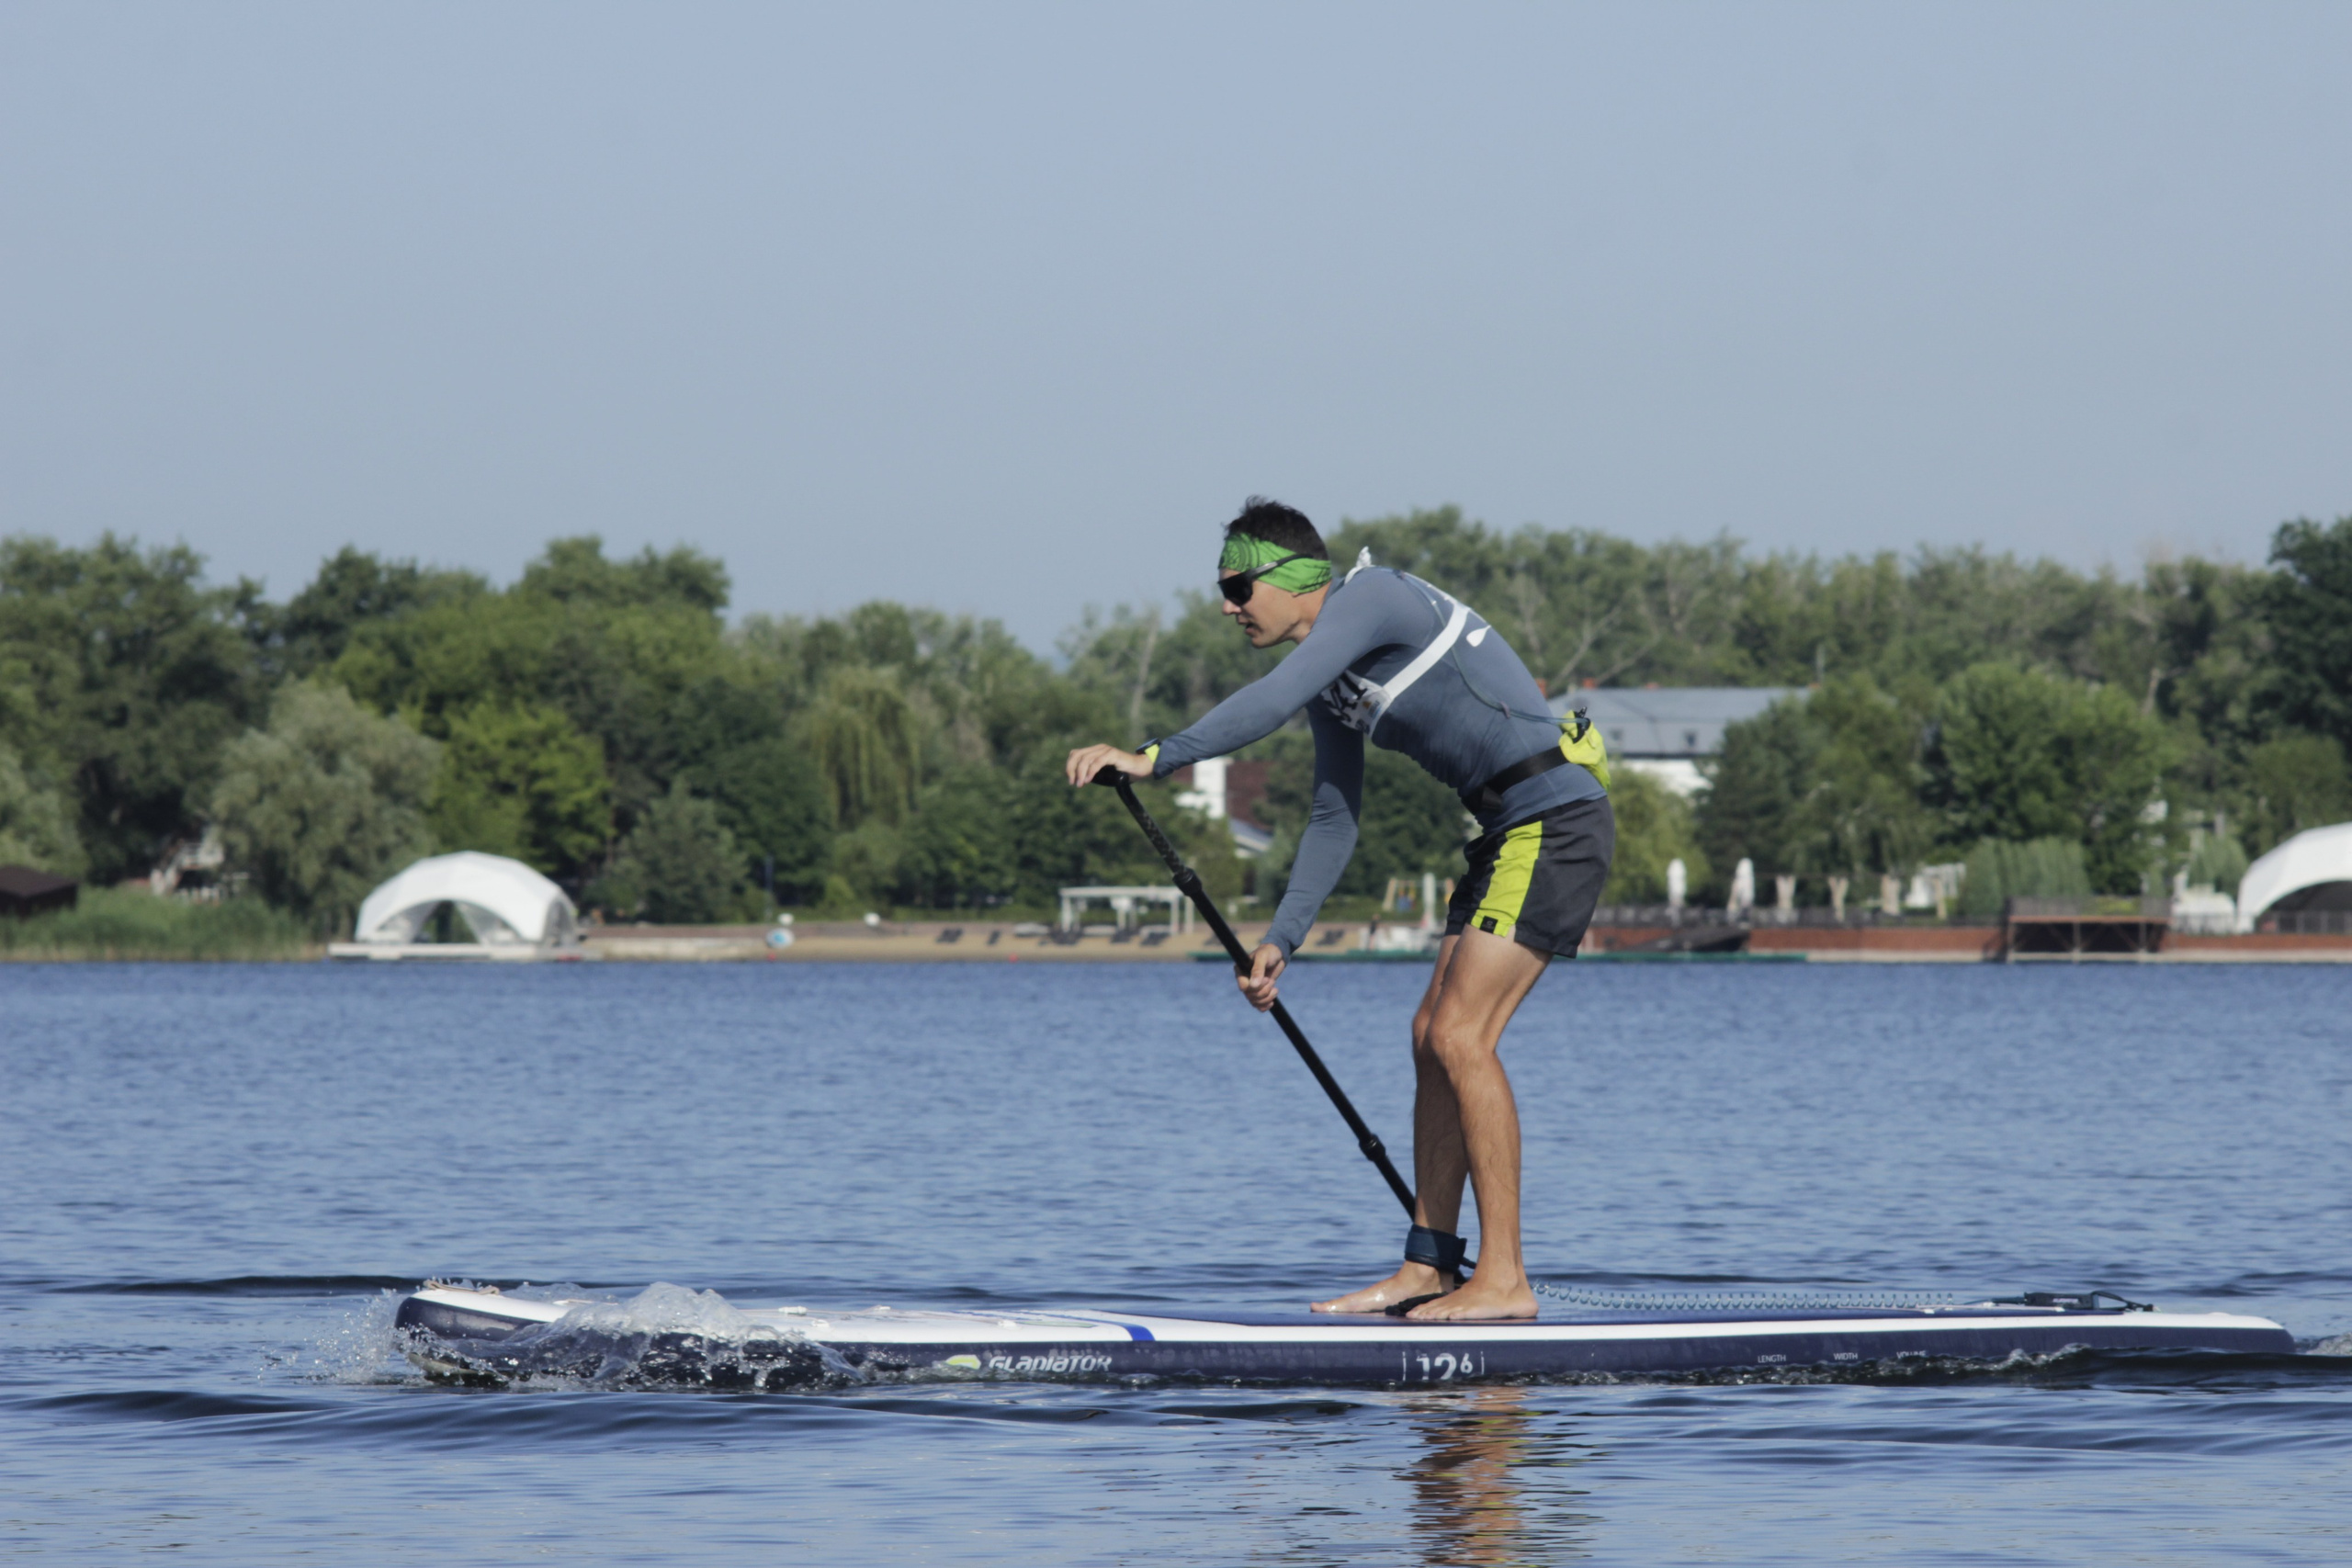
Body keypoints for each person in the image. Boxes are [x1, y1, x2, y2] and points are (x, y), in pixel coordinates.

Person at [1065, 499, 1613, 1321]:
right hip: (1505, 830)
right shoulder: (1338, 678)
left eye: (1238, 585)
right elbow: (1333, 815)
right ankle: (1430, 1266)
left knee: (1465, 1036)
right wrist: (1282, 936)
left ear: (1293, 576)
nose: (1228, 605)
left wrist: (1153, 755)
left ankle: (1505, 1278)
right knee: (1431, 1035)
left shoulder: (1373, 599)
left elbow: (1272, 697)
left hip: (1554, 820)